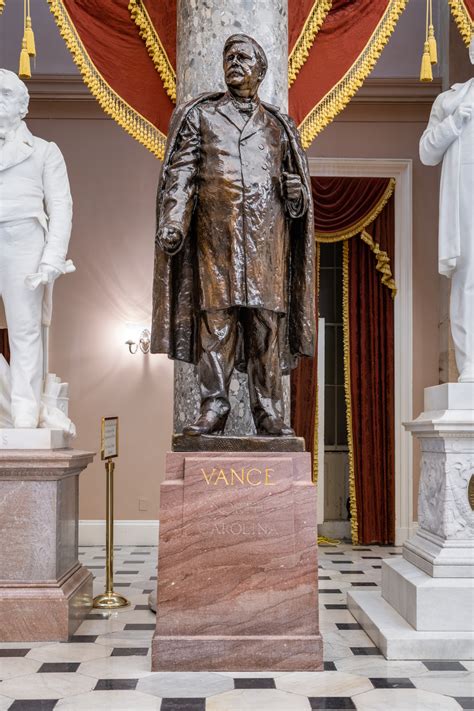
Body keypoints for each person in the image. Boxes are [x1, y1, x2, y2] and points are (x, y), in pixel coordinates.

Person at [151, 34, 315, 436]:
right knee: (216, 325)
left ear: (261, 71)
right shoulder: (201, 117)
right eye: (229, 57)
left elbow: (297, 197)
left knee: (265, 328)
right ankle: (214, 406)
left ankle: (267, 412)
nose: (235, 63)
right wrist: (173, 220)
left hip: (265, 242)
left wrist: (297, 199)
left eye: (243, 57)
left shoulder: (278, 125)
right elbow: (181, 174)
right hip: (216, 238)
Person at [0, 69, 72, 428]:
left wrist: (52, 259)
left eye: (4, 94)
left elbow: (61, 208)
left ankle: (25, 410)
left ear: (22, 106)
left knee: (24, 329)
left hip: (23, 239)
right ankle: (7, 398)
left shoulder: (44, 151)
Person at [419, 37, 474, 383]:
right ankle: (470, 364)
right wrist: (453, 123)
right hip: (466, 197)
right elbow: (426, 152)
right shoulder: (452, 99)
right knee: (467, 280)